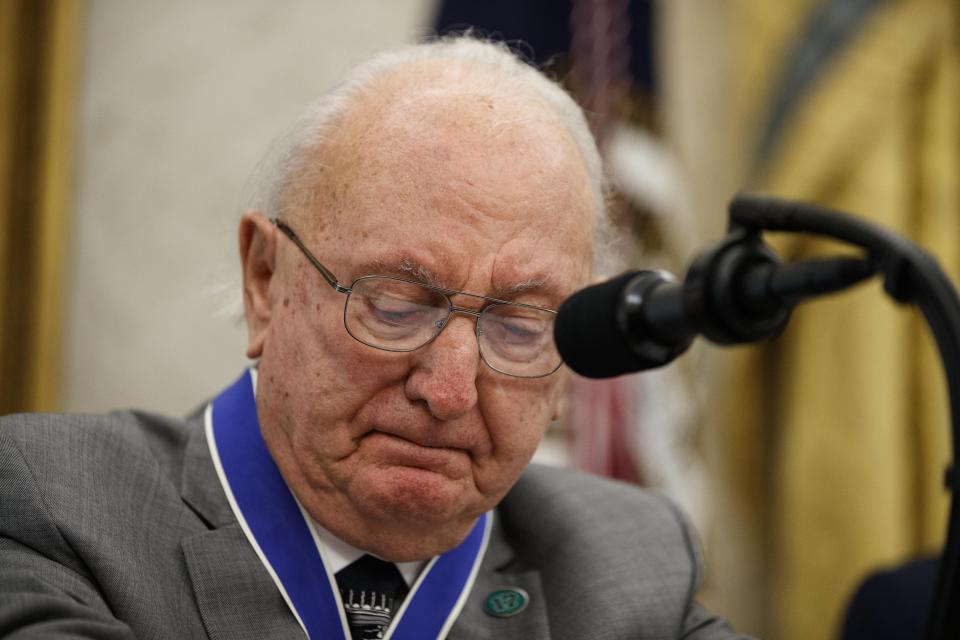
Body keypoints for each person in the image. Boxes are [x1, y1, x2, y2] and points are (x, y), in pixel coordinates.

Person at [0, 37, 752, 639]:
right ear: (266, 280)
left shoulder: (629, 560)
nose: (451, 392)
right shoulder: (49, 506)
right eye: (396, 305)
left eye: (521, 325)